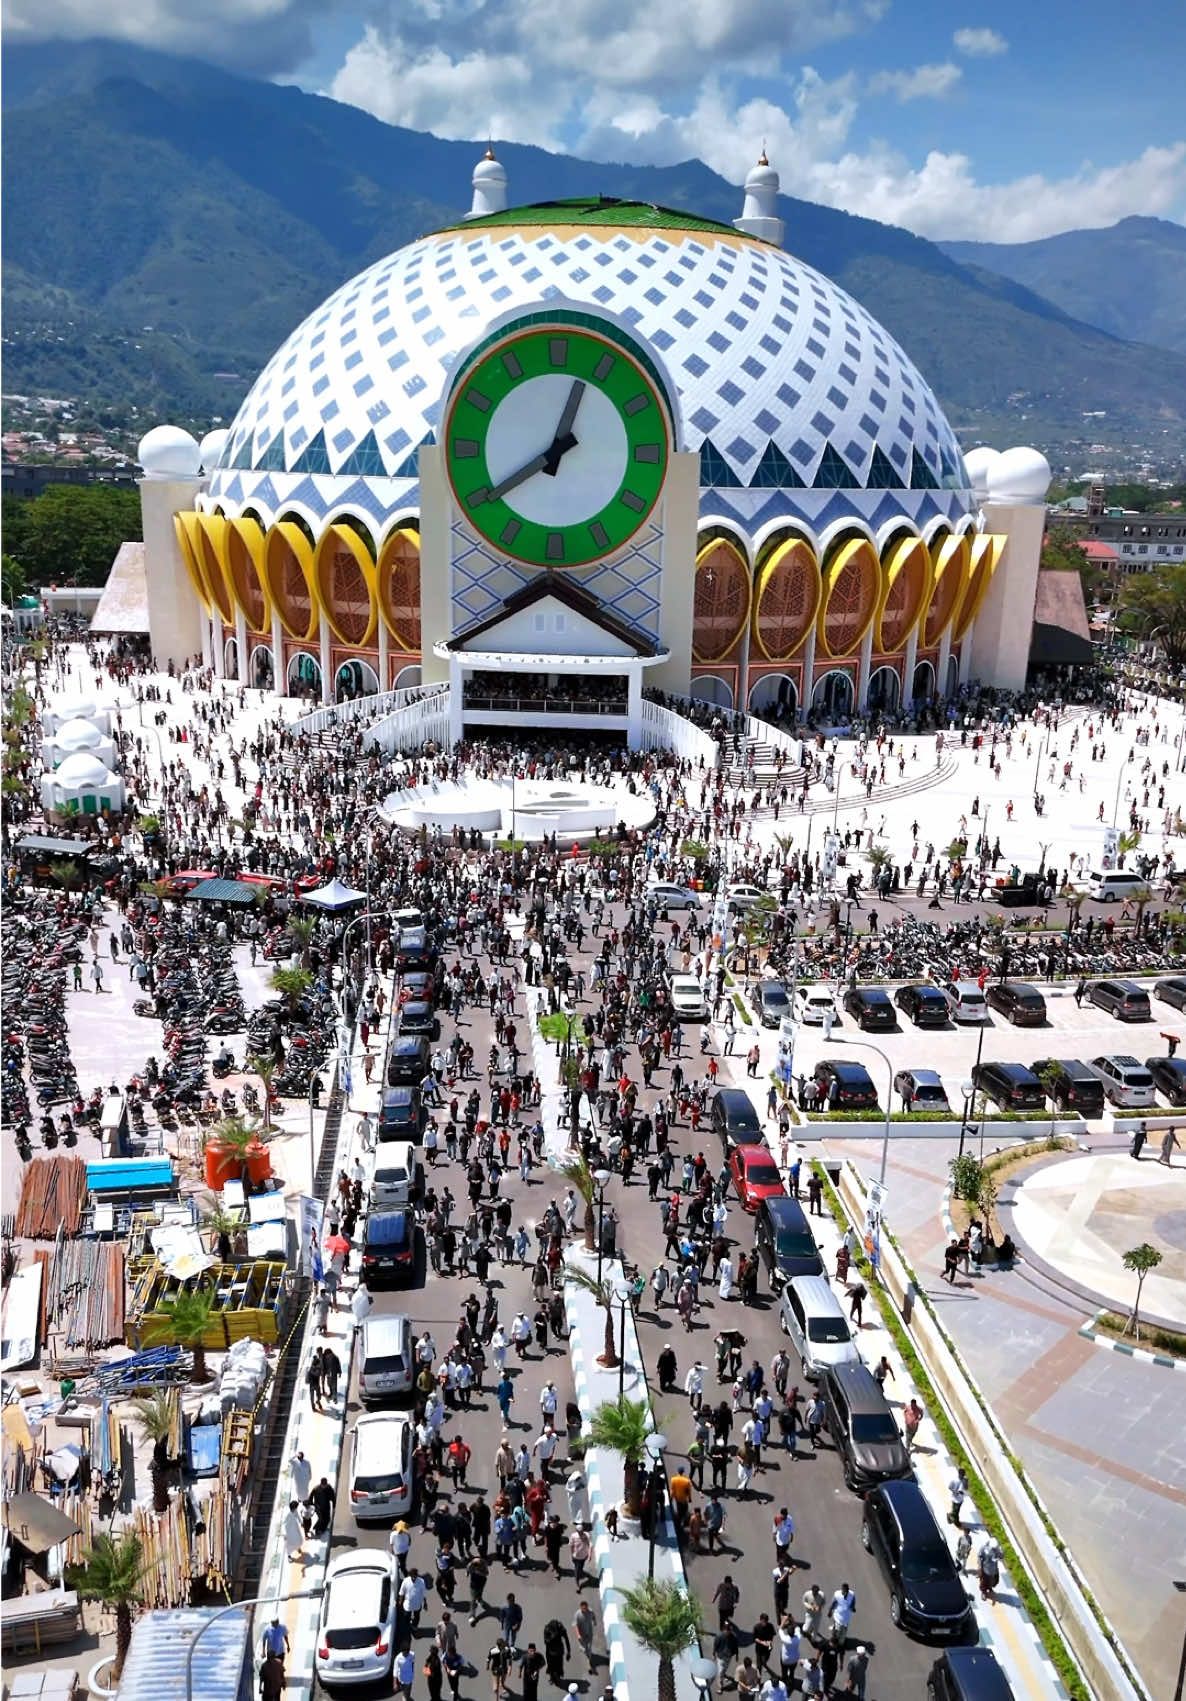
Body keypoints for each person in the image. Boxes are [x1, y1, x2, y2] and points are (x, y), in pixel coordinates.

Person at [572, 1600, 597, 1670]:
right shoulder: (577, 1614)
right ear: (580, 1608)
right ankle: (583, 1648)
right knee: (584, 1647)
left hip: (589, 1633)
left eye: (585, 1608)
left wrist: (594, 1621)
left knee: (588, 1648)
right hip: (581, 1634)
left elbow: (593, 1616)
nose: (584, 1610)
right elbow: (575, 1625)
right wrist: (578, 1635)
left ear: (587, 1607)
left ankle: (589, 1663)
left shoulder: (590, 1612)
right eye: (583, 1609)